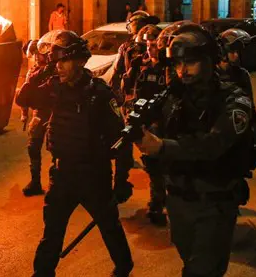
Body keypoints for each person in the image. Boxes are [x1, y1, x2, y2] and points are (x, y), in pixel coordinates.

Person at [135, 24, 254, 277]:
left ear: (209, 61)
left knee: (200, 271)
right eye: (177, 64)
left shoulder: (234, 100)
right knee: (189, 258)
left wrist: (163, 146)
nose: (182, 70)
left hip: (214, 199)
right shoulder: (174, 97)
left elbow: (213, 145)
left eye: (190, 63)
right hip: (179, 198)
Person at [16, 31, 134, 277]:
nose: (58, 67)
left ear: (80, 61)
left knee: (109, 226)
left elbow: (122, 139)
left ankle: (124, 267)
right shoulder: (53, 88)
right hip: (61, 174)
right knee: (52, 231)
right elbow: (23, 98)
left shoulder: (99, 94)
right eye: (55, 61)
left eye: (63, 61)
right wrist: (45, 69)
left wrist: (121, 180)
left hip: (94, 175)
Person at [129, 24, 169, 226]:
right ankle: (156, 204)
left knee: (167, 166)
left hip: (166, 125)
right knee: (153, 166)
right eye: (147, 45)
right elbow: (137, 93)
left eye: (153, 45)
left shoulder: (169, 69)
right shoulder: (143, 67)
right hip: (149, 122)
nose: (149, 49)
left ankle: (165, 202)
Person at [20, 39, 51, 196]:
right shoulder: (33, 71)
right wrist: (24, 113)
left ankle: (60, 183)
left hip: (54, 113)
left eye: (39, 54)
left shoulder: (55, 69)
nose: (37, 58)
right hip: (38, 113)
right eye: (34, 55)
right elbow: (26, 93)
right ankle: (35, 182)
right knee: (33, 147)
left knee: (58, 148)